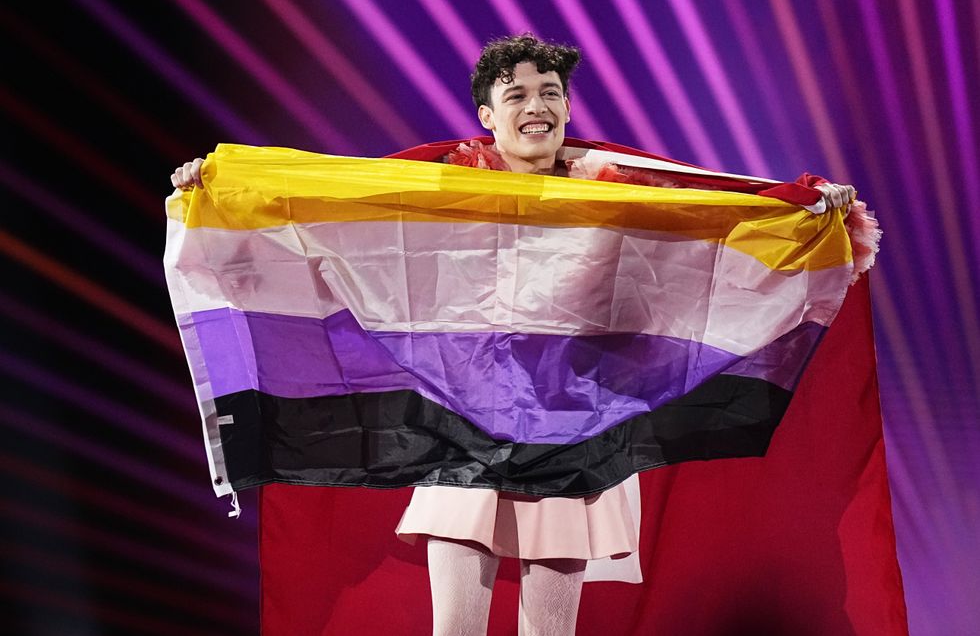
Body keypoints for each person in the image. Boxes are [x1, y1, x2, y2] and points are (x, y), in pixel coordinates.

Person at [171, 33, 855, 636]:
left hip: (579, 424)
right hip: (466, 422)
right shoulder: (443, 188)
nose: (537, 105)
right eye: (517, 93)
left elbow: (713, 215)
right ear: (487, 117)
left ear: (565, 109)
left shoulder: (614, 192)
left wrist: (804, 209)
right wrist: (223, 188)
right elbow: (331, 206)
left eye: (549, 92)